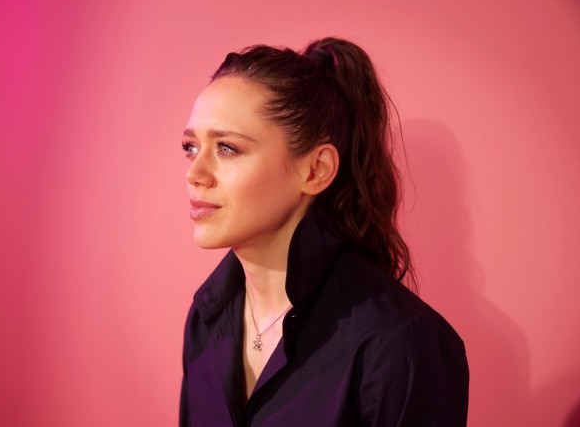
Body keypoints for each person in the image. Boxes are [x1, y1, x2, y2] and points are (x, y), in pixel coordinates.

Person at [179, 37, 469, 426]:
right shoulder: (206, 318)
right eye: (190, 147)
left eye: (227, 148)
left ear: (316, 170)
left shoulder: (400, 342)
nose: (194, 173)